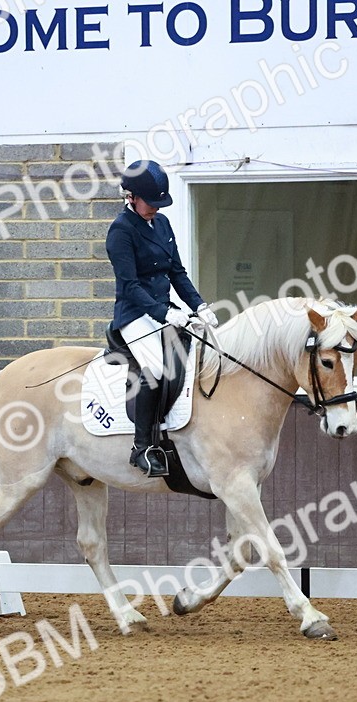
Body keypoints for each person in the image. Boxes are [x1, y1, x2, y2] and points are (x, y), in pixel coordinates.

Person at [107, 160, 218, 477]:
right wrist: (166, 313)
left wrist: (199, 306)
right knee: (155, 369)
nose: (155, 209)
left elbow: (176, 273)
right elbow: (130, 286)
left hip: (163, 309)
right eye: (150, 203)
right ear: (131, 197)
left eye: (159, 203)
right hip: (134, 314)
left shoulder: (163, 224)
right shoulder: (121, 231)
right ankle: (142, 447)